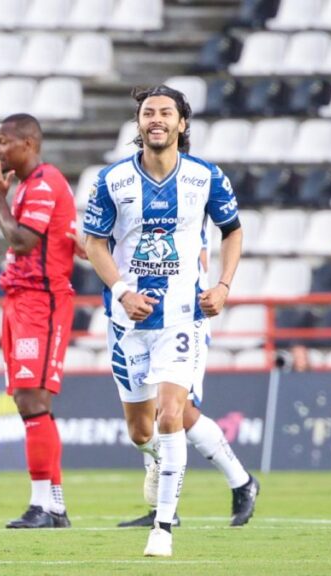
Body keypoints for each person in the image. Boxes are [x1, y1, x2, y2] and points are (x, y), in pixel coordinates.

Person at [83, 85, 243, 557]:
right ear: (139, 124)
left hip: (182, 316)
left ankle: (163, 529)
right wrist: (121, 291)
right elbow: (93, 242)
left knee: (172, 414)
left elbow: (232, 231)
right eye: (147, 112)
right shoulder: (112, 181)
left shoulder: (206, 177)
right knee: (140, 429)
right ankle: (155, 462)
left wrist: (222, 286)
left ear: (181, 124)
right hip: (128, 320)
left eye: (165, 112)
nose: (156, 119)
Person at [118, 235, 259, 529]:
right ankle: (161, 506)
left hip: (186, 316)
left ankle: (241, 481)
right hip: (152, 316)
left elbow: (201, 255)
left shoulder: (191, 195)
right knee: (154, 409)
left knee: (180, 411)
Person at [0, 113, 81, 530]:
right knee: (29, 402)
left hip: (43, 301)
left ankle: (44, 505)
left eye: (4, 141)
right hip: (22, 301)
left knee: (33, 400)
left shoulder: (42, 184)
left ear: (28, 143)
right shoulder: (29, 185)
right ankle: (52, 505)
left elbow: (23, 241)